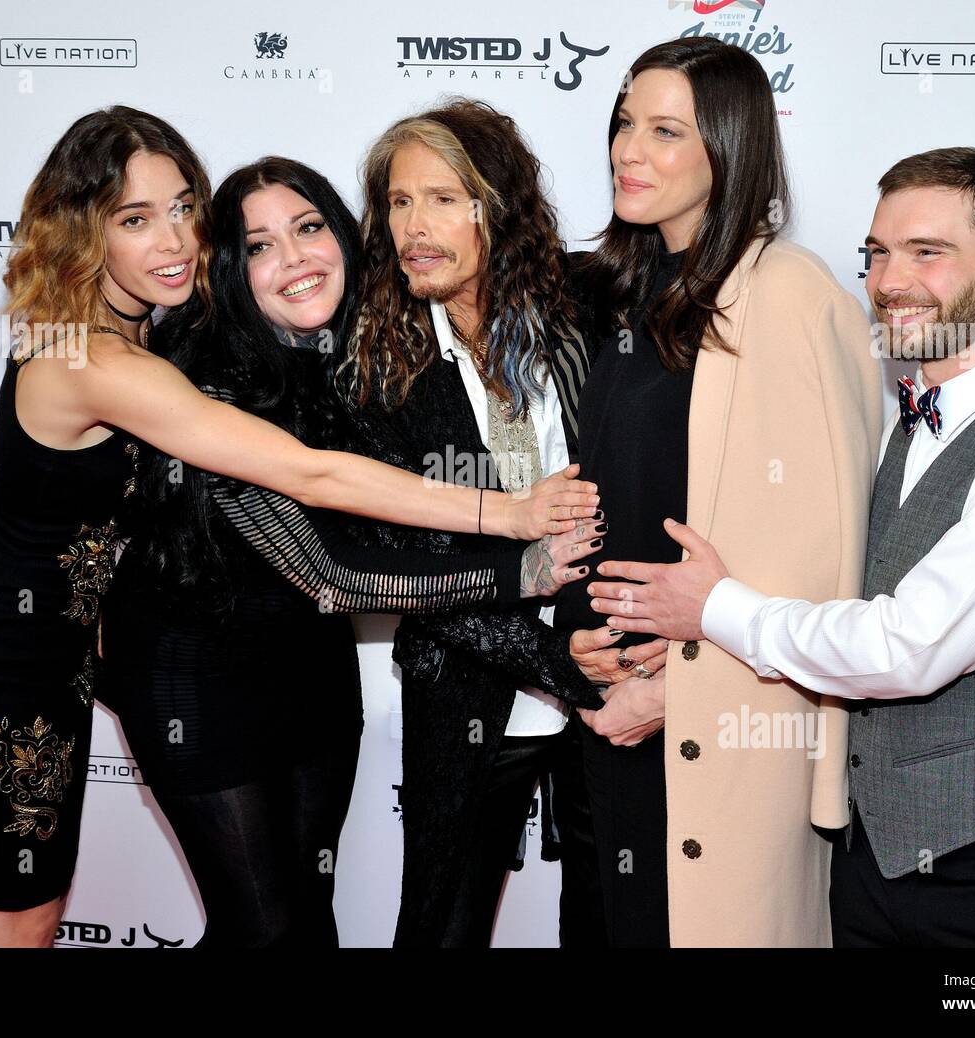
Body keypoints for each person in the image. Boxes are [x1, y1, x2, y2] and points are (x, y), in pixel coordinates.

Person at [0, 105, 598, 948]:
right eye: (134, 218)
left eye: (182, 209)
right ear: (82, 234)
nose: (170, 241)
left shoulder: (196, 335)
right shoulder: (125, 361)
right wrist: (516, 534)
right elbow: (318, 516)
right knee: (32, 909)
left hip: (173, 656)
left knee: (290, 924)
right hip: (17, 656)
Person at [588, 146, 975, 948]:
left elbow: (907, 647)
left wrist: (715, 608)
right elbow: (827, 588)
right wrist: (679, 675)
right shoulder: (892, 427)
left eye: (928, 252)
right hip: (868, 861)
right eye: (876, 254)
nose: (889, 281)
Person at [101, 156, 605, 948]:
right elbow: (329, 572)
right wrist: (522, 565)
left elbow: (394, 532)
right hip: (195, 676)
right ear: (231, 270)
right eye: (260, 246)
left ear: (343, 234)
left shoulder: (358, 357)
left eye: (308, 228)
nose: (296, 258)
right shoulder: (212, 384)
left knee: (308, 915)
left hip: (309, 667)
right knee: (262, 928)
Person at [557, 36, 883, 947]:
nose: (629, 149)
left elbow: (826, 555)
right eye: (625, 123)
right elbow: (610, 495)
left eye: (665, 130)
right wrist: (584, 642)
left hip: (728, 725)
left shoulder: (787, 293)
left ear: (729, 149)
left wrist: (679, 693)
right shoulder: (622, 292)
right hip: (615, 711)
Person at [343, 98, 619, 946]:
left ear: (497, 204)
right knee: (440, 927)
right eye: (397, 202)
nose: (413, 227)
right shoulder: (378, 367)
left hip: (616, 686)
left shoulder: (594, 309)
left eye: (442, 198)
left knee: (615, 924)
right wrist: (556, 664)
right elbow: (415, 573)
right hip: (472, 686)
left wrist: (612, 668)